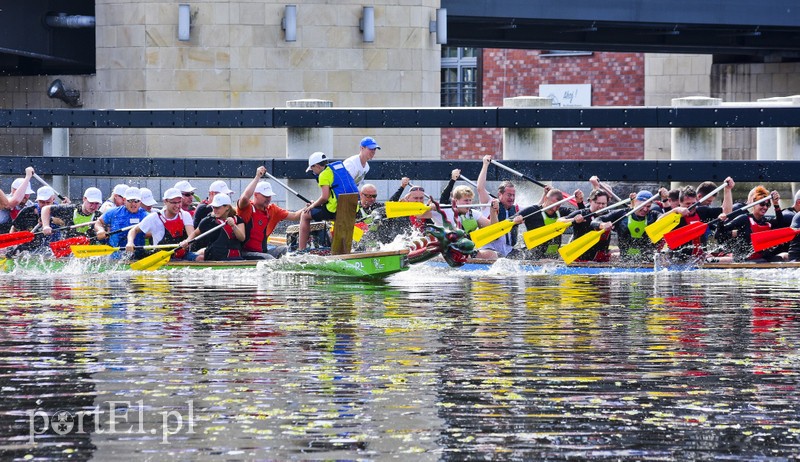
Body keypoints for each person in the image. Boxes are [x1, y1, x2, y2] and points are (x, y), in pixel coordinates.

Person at [298, 152, 359, 251]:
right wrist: (316, 204)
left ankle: (301, 250)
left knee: (305, 215)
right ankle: (340, 248)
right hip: (352, 208)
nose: (313, 172)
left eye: (312, 169)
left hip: (335, 210)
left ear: (317, 166)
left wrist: (312, 206)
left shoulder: (323, 175)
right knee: (320, 211)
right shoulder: (338, 168)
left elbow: (325, 197)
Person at [237, 166, 301, 259]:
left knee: (287, 250)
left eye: (269, 196)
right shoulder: (246, 208)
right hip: (246, 252)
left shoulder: (272, 209)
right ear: (256, 195)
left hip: (263, 251)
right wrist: (257, 177)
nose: (268, 199)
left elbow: (295, 216)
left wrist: (312, 205)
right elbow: (244, 198)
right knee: (269, 259)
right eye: (265, 196)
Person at [661, 179, 734, 258]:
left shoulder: (702, 211)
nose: (691, 206)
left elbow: (727, 212)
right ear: (680, 202)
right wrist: (675, 210)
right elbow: (658, 223)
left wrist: (727, 190)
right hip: (677, 258)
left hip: (699, 258)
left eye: (693, 203)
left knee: (729, 259)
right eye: (687, 204)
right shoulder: (675, 215)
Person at [715, 186, 785, 262]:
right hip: (743, 259)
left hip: (761, 259)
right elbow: (718, 234)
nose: (765, 207)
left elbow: (780, 223)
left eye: (767, 205)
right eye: (762, 204)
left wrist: (776, 203)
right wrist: (721, 222)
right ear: (754, 203)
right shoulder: (744, 219)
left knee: (784, 257)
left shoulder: (766, 222)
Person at [126, 188, 196, 260]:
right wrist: (130, 242)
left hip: (183, 255)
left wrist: (187, 241)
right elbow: (134, 230)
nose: (177, 206)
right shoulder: (154, 217)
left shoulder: (185, 215)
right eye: (174, 203)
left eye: (179, 202)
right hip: (161, 258)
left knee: (200, 257)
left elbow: (191, 235)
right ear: (165, 201)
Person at [591, 190, 661, 263]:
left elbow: (668, 218)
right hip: (624, 261)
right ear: (635, 201)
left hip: (647, 262)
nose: (645, 209)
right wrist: (602, 225)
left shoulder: (653, 215)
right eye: (642, 205)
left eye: (648, 206)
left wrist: (665, 200)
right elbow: (594, 221)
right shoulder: (622, 214)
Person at [434, 185, 499, 259]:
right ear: (455, 201)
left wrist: (493, 211)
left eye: (470, 200)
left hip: (465, 251)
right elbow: (421, 215)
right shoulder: (444, 210)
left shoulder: (473, 213)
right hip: (446, 251)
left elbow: (494, 229)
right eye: (465, 200)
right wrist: (430, 207)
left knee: (492, 255)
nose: (468, 203)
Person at [512, 188, 576, 260]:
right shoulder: (533, 211)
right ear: (545, 199)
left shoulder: (562, 211)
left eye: (558, 206)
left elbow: (581, 213)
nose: (554, 209)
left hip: (552, 258)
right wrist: (516, 219)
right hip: (534, 257)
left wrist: (579, 202)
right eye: (552, 204)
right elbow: (511, 219)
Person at [477, 155, 518, 258]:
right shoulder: (489, 202)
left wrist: (545, 195)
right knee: (494, 256)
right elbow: (480, 188)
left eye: (513, 195)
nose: (512, 198)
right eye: (509, 195)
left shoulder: (516, 208)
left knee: (526, 255)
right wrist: (485, 165)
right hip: (489, 249)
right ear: (500, 194)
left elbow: (536, 208)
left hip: (507, 250)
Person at [94, 186, 149, 257]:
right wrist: (100, 230)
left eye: (136, 201)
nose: (133, 204)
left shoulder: (146, 215)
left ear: (140, 201)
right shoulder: (113, 212)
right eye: (130, 201)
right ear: (124, 200)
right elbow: (99, 222)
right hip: (114, 257)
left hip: (137, 256)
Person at [7, 185, 62, 254]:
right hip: (31, 250)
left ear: (53, 199)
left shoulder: (60, 210)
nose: (45, 205)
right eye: (42, 202)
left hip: (54, 249)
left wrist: (49, 220)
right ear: (37, 200)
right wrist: (12, 245)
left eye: (48, 202)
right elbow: (14, 229)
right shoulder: (27, 211)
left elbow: (63, 223)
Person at [193, 193, 246, 261]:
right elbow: (195, 233)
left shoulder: (238, 220)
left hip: (235, 257)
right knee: (199, 255)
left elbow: (242, 238)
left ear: (227, 207)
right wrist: (186, 242)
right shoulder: (209, 220)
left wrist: (233, 226)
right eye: (213, 207)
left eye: (217, 207)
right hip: (215, 258)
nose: (215, 210)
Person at [564, 189, 611, 262]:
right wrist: (573, 220)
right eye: (598, 203)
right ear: (590, 201)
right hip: (579, 260)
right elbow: (559, 221)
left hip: (600, 261)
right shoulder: (582, 213)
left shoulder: (609, 215)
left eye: (603, 204)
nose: (601, 206)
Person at [0, 166, 35, 233]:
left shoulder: (30, 205)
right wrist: (27, 177)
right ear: (13, 191)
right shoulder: (5, 200)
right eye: (23, 193)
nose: (25, 196)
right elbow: (15, 201)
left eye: (27, 193)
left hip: (18, 238)